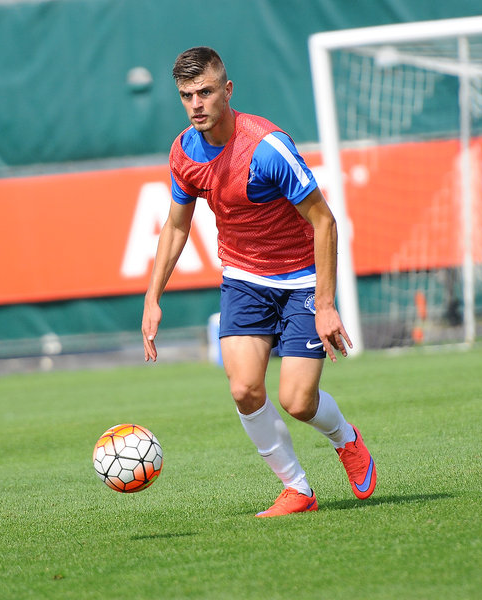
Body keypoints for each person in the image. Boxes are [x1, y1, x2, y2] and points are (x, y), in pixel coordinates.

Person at [142, 46, 376, 517]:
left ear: (227, 90)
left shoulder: (267, 147)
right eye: (186, 95)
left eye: (205, 92)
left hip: (302, 280)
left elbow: (325, 222)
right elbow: (177, 226)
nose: (196, 104)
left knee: (297, 400)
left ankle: (346, 439)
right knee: (244, 390)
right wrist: (152, 298)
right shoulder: (184, 151)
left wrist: (326, 304)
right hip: (244, 278)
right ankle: (297, 489)